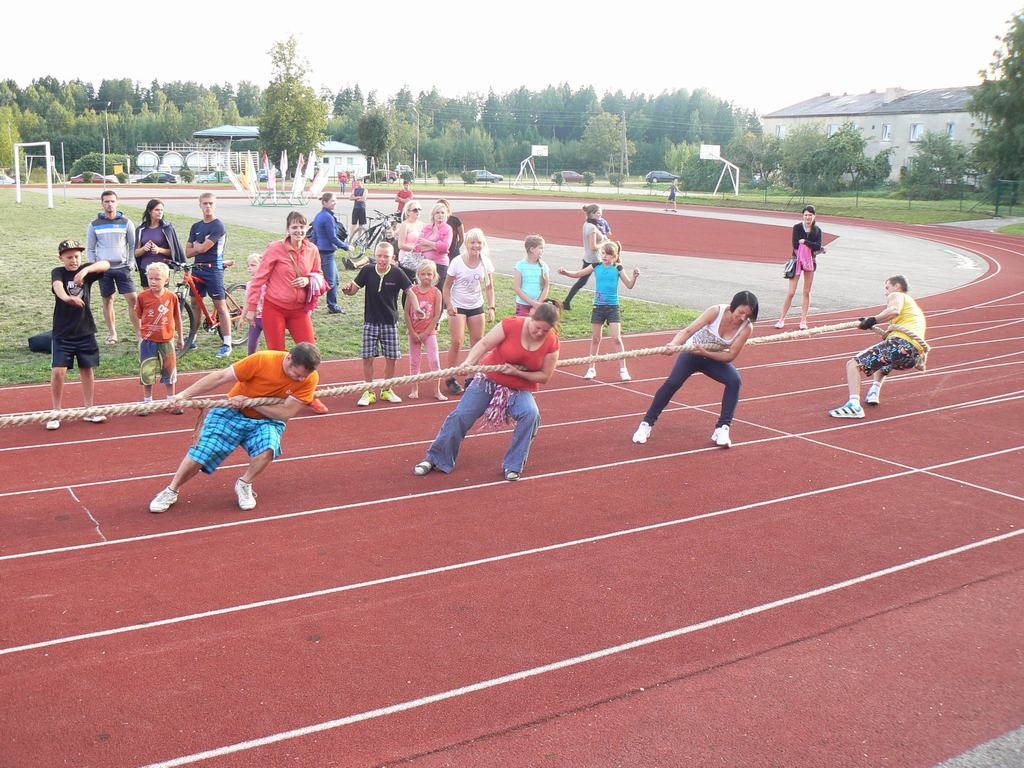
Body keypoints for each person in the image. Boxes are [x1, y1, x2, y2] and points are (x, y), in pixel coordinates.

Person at [148, 342, 322, 513]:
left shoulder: (310, 378)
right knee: (201, 453)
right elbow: (221, 377)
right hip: (232, 412)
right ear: (289, 358)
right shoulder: (262, 360)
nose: (300, 379)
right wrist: (183, 395)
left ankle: (244, 483)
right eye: (297, 374)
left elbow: (285, 413)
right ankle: (171, 490)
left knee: (268, 449)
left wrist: (250, 402)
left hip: (267, 419)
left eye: (304, 376)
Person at [413, 301, 562, 482]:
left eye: (545, 331)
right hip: (488, 380)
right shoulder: (511, 324)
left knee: (531, 414)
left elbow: (544, 376)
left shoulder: (552, 342)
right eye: (537, 328)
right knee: (461, 415)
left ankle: (513, 465)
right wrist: (468, 362)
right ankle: (436, 458)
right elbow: (484, 344)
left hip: (518, 387)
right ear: (531, 317)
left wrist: (517, 373)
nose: (539, 333)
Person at [632, 291, 759, 449]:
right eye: (740, 312)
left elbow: (730, 356)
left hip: (713, 358)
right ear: (733, 305)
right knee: (673, 383)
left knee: (734, 381)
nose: (742, 318)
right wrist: (674, 344)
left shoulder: (746, 328)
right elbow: (688, 331)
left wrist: (706, 353)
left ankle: (722, 428)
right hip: (692, 354)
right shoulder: (716, 312)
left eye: (747, 315)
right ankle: (646, 424)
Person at [828, 275, 928, 419]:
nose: (886, 292)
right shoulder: (912, 308)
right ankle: (874, 390)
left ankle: (854, 405)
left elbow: (894, 310)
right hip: (912, 356)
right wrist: (870, 322)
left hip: (902, 344)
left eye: (887, 288)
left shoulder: (897, 295)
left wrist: (873, 320)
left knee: (853, 365)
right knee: (885, 361)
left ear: (897, 286)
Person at [342, 242, 424, 407]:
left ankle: (387, 389)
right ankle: (369, 391)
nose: (382, 259)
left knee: (391, 358)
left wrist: (417, 309)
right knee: (368, 357)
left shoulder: (397, 273)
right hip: (370, 322)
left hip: (390, 323)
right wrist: (347, 291)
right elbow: (354, 290)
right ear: (375, 256)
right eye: (379, 256)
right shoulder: (367, 270)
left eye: (386, 256)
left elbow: (411, 292)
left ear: (392, 258)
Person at [47, 239, 111, 431]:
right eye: (69, 257)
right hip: (63, 331)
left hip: (85, 330)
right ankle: (56, 411)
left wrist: (85, 271)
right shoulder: (58, 272)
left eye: (76, 256)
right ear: (61, 258)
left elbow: (106, 264)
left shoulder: (85, 271)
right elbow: (58, 286)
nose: (73, 260)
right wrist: (68, 298)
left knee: (87, 369)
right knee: (58, 371)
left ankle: (89, 409)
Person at [558, 240, 639, 381]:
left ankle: (623, 370)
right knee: (595, 339)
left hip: (613, 307)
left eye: (607, 254)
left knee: (616, 338)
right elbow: (579, 273)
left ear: (614, 256)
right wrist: (566, 272)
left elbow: (629, 285)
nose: (604, 256)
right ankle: (591, 368)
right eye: (603, 253)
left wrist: (634, 277)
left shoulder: (618, 268)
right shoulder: (596, 266)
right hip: (598, 307)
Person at [246, 211, 325, 351]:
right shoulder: (275, 248)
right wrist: (252, 308)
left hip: (299, 310)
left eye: (302, 227)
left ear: (307, 228)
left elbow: (319, 274)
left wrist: (307, 280)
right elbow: (259, 280)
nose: (298, 231)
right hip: (274, 308)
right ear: (288, 229)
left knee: (309, 352)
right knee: (277, 353)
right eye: (294, 227)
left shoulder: (312, 249)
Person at [442, 227, 496, 396]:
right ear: (466, 243)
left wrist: (491, 307)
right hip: (458, 305)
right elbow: (446, 287)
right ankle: (450, 376)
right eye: (472, 242)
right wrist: (449, 304)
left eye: (479, 243)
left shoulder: (486, 263)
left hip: (476, 305)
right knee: (457, 341)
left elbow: (489, 287)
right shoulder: (457, 262)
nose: (476, 246)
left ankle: (472, 377)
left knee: (478, 342)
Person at [86, 189, 139, 343]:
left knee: (133, 300)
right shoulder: (94, 224)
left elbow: (133, 245)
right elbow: (90, 248)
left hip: (123, 268)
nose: (110, 204)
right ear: (102, 203)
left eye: (112, 201)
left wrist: (131, 262)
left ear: (117, 203)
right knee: (108, 300)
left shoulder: (126, 223)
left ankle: (139, 333)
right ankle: (112, 334)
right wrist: (94, 266)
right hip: (104, 269)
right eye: (107, 201)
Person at [185, 192, 233, 357]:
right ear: (200, 205)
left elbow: (204, 248)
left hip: (213, 270)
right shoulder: (196, 226)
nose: (208, 206)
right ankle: (193, 338)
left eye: (211, 203)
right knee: (195, 304)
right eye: (205, 203)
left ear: (215, 205)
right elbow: (188, 252)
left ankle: (227, 343)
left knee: (220, 305)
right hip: (197, 268)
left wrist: (198, 245)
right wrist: (199, 246)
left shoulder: (218, 225)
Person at [135, 262, 184, 414]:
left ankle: (171, 400)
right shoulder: (142, 296)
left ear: (166, 280)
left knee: (169, 370)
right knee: (147, 371)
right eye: (150, 278)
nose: (153, 282)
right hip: (148, 341)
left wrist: (180, 337)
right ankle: (147, 402)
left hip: (166, 340)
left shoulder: (172, 297)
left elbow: (177, 317)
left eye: (157, 278)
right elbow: (139, 314)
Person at [774, 205, 825, 330]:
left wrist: (805, 242)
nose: (808, 217)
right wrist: (809, 245)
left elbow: (818, 246)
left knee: (806, 292)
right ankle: (781, 319)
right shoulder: (797, 227)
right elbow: (795, 244)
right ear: (803, 216)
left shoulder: (817, 230)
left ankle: (803, 320)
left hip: (810, 261)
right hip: (797, 260)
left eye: (810, 215)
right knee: (791, 292)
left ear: (814, 216)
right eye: (806, 215)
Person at [406, 260, 446, 401]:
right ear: (418, 275)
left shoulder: (436, 293)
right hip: (414, 332)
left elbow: (436, 315)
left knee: (434, 360)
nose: (426, 277)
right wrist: (412, 331)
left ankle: (437, 391)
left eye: (429, 274)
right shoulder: (412, 291)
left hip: (429, 333)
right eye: (423, 274)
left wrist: (426, 332)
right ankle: (414, 389)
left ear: (434, 275)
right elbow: (406, 312)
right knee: (414, 362)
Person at [562, 204, 607, 311]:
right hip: (596, 260)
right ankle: (604, 305)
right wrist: (604, 242)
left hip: (589, 258)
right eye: (598, 213)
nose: (600, 215)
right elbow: (593, 247)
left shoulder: (587, 224)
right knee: (603, 282)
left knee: (582, 281)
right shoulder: (592, 228)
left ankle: (566, 302)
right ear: (592, 213)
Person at [133, 198, 185, 288]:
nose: (160, 212)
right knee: (148, 295)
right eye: (157, 210)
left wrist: (159, 250)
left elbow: (174, 251)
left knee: (162, 295)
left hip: (162, 268)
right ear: (150, 211)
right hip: (145, 268)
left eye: (161, 210)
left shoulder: (167, 228)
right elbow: (136, 253)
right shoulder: (141, 229)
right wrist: (144, 249)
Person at [312, 192, 349, 314]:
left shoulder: (320, 215)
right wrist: (346, 247)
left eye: (335, 200)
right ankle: (322, 302)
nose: (335, 203)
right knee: (331, 281)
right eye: (332, 201)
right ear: (325, 203)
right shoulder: (327, 217)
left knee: (335, 280)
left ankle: (332, 304)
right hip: (326, 252)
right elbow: (332, 237)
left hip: (324, 251)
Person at [415, 202, 454, 292]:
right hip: (425, 263)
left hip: (440, 264)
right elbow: (417, 246)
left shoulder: (448, 229)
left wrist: (427, 243)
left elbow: (445, 247)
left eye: (442, 213)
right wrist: (436, 245)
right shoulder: (426, 227)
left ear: (446, 215)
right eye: (437, 212)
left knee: (439, 290)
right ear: (433, 214)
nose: (440, 215)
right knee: (424, 289)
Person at [514, 235, 550, 317]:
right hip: (523, 304)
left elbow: (546, 286)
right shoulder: (520, 266)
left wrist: (538, 304)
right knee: (523, 324)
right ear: (532, 249)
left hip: (539, 305)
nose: (542, 250)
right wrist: (532, 302)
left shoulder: (544, 266)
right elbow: (517, 288)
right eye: (540, 248)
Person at [394, 201, 426, 282]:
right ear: (408, 212)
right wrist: (414, 248)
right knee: (408, 284)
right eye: (415, 210)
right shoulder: (405, 225)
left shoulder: (423, 225)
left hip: (419, 258)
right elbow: (401, 245)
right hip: (406, 259)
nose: (418, 212)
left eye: (419, 209)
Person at [244, 253, 266, 355]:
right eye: (248, 265)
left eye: (253, 265)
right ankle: (251, 361)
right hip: (255, 319)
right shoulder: (249, 284)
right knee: (251, 345)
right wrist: (242, 317)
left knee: (272, 344)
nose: (249, 268)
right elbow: (247, 302)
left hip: (267, 318)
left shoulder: (267, 284)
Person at [350, 176, 368, 241]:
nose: (357, 184)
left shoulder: (365, 190)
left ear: (362, 182)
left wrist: (355, 198)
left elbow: (363, 199)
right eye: (357, 183)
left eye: (359, 183)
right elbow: (351, 198)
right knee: (353, 223)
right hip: (355, 208)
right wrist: (358, 197)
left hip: (362, 208)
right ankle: (351, 237)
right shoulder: (354, 190)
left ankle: (359, 237)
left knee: (361, 224)